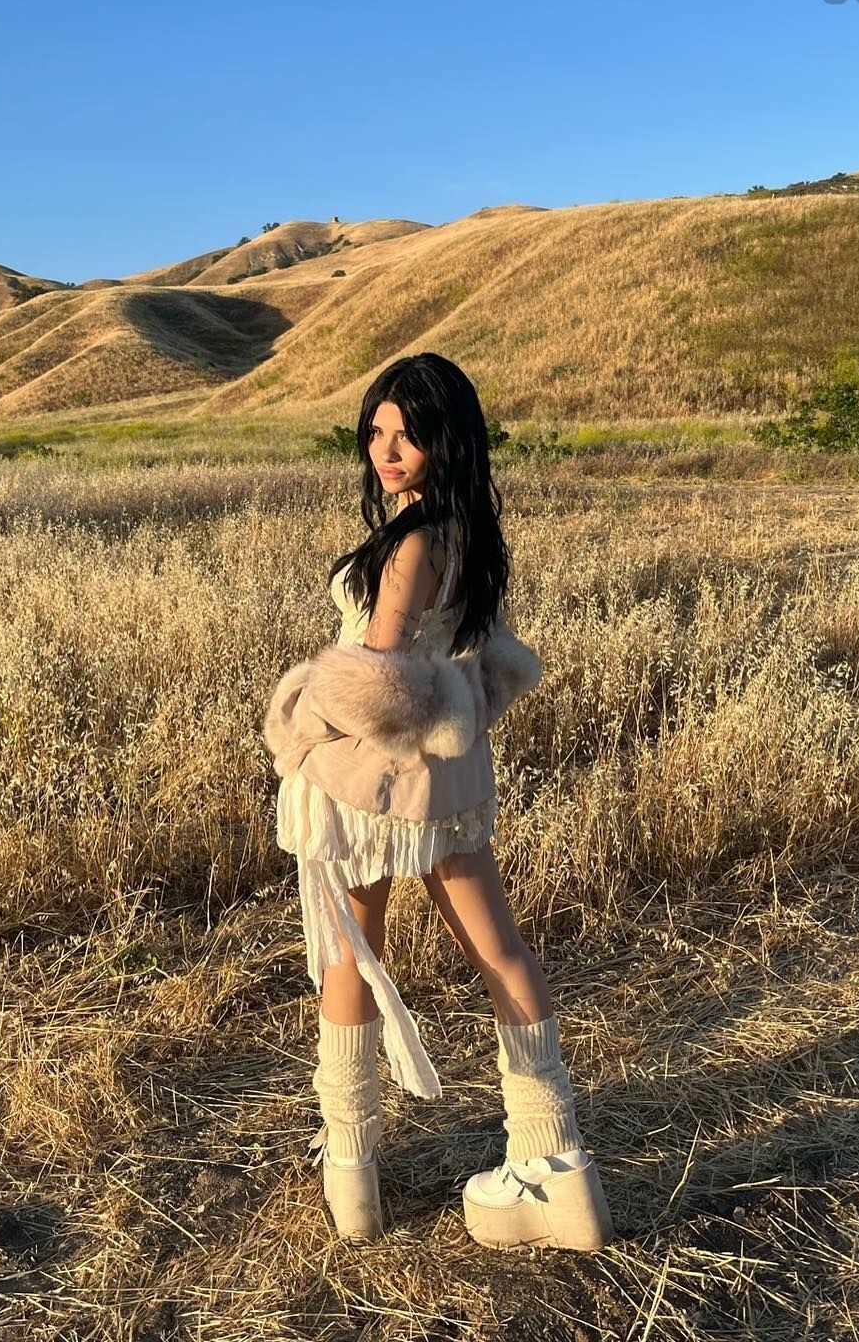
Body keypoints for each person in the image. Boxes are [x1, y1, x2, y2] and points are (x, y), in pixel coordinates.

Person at [262, 352, 613, 1249]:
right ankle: (554, 1165)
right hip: (448, 780)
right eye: (376, 432)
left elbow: (376, 675)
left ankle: (352, 1173)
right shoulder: (468, 535)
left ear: (443, 440)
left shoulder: (414, 540)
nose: (385, 452)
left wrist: (300, 727)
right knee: (501, 952)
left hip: (369, 781)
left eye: (406, 435)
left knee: (351, 958)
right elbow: (477, 660)